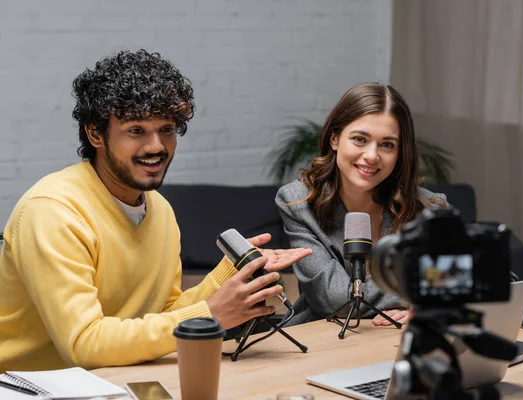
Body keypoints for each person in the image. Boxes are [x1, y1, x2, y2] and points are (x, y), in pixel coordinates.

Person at [0, 49, 311, 372]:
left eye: (166, 129)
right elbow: (85, 344)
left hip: (115, 378)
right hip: (30, 386)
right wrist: (211, 313)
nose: (156, 147)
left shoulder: (159, 209)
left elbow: (163, 314)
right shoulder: (53, 212)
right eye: (136, 130)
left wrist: (231, 272)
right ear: (95, 134)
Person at [276, 82, 447, 327]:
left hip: (396, 336)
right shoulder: (299, 203)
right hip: (320, 339)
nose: (371, 155)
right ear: (334, 139)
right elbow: (335, 300)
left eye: (387, 144)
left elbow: (475, 277)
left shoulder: (429, 207)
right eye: (359, 139)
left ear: (400, 153)